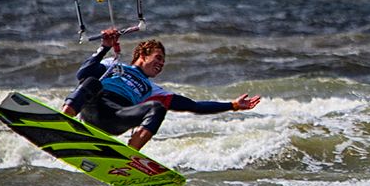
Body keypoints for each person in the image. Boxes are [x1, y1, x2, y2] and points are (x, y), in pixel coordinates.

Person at [61, 27, 261, 150]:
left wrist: (232, 105)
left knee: (158, 108)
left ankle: (130, 154)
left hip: (118, 117)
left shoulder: (154, 89)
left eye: (163, 61)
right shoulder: (112, 64)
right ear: (142, 55)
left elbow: (195, 106)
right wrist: (105, 46)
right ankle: (61, 122)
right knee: (91, 81)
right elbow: (83, 73)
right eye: (158, 58)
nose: (161, 64)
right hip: (93, 108)